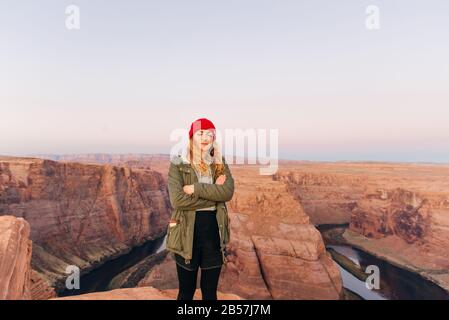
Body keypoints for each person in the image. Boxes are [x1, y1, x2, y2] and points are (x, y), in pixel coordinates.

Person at [166, 118, 234, 300]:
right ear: (191, 136)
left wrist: (196, 189)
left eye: (210, 133)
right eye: (200, 133)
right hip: (186, 236)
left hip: (213, 236)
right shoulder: (178, 164)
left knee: (210, 293)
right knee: (186, 292)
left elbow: (227, 193)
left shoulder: (219, 162)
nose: (205, 137)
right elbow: (178, 201)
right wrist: (214, 198)